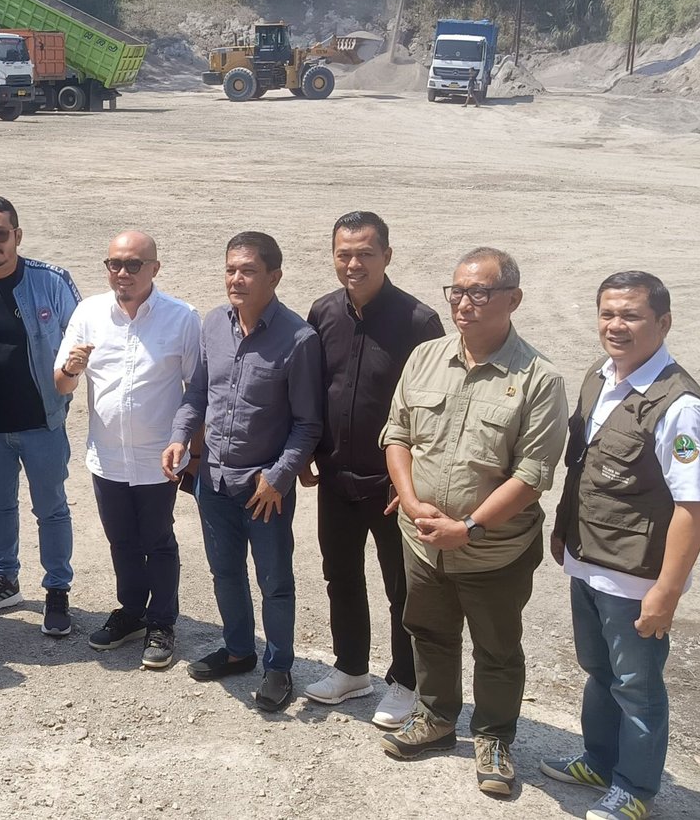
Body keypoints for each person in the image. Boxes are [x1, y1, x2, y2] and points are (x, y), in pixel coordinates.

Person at [379, 246, 567, 797]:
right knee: (429, 634)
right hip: (422, 542)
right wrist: (410, 501)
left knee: (497, 650)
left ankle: (494, 738)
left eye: (479, 292)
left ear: (514, 299)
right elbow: (398, 435)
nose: (464, 303)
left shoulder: (538, 379)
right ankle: (437, 719)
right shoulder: (425, 357)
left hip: (493, 550)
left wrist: (470, 528)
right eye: (457, 291)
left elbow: (531, 476)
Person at [541, 271, 700, 820]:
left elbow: (693, 507)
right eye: (608, 314)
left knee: (637, 686)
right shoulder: (600, 377)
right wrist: (564, 532)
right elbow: (583, 468)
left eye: (631, 315)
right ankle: (599, 760)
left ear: (663, 323)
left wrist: (667, 590)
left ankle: (635, 789)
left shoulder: (681, 407)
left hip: (637, 577)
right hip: (589, 561)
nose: (616, 325)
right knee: (599, 670)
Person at [164, 231, 323, 713]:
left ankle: (279, 667)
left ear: (274, 277)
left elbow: (308, 423)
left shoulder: (299, 339)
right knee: (225, 572)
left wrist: (280, 476)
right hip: (212, 480)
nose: (236, 279)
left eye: (248, 270)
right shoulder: (214, 323)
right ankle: (238, 650)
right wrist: (180, 437)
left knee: (274, 581)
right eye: (231, 269)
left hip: (263, 489)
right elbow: (198, 393)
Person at [299, 211, 443, 728]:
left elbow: (436, 409)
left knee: (401, 587)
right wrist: (307, 451)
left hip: (392, 487)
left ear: (387, 255)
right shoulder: (323, 312)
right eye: (344, 254)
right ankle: (351, 668)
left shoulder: (419, 321)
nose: (353, 264)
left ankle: (406, 681)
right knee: (340, 575)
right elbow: (313, 387)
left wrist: (412, 482)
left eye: (365, 253)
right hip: (336, 477)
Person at [56, 231, 201, 670]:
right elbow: (61, 382)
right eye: (115, 264)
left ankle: (162, 622)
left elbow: (197, 389)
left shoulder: (181, 317)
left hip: (160, 458)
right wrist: (71, 369)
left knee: (158, 540)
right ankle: (132, 612)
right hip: (108, 457)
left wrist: (191, 449)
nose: (123, 273)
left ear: (155, 268)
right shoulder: (89, 313)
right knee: (121, 540)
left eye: (134, 264)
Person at [0, 196, 81, 636]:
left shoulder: (52, 281)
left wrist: (70, 387)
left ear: (17, 235)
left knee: (51, 508)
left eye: (0, 233)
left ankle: (57, 589)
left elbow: (83, 337)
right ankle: (5, 580)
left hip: (42, 423)